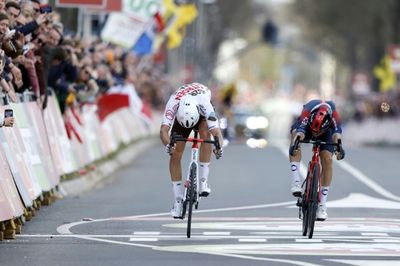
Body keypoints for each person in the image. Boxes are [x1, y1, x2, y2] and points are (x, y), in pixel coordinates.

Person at [160, 82, 224, 219]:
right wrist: (168, 145)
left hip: (200, 115)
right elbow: (163, 130)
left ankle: (203, 182)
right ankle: (177, 201)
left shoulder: (204, 104)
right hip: (181, 119)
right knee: (176, 152)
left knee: (206, 135)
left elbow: (216, 132)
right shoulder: (173, 103)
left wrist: (219, 147)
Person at [289, 99, 345, 221]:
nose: (316, 134)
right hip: (307, 128)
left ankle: (322, 205)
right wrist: (295, 144)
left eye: (317, 132)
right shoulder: (307, 112)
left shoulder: (334, 116)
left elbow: (337, 135)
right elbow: (300, 132)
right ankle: (296, 182)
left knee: (327, 159)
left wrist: (339, 148)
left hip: (326, 131)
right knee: (295, 137)